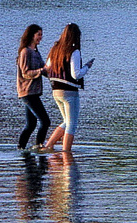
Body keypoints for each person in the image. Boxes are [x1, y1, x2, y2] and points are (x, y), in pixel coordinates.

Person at [39, 23, 92, 156]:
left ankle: (48, 146)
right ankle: (66, 153)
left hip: (55, 91)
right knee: (72, 124)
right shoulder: (74, 51)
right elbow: (76, 74)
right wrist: (87, 66)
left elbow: (47, 68)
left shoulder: (55, 49)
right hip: (69, 92)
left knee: (66, 121)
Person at [15, 23, 51, 150]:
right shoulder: (25, 52)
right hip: (27, 92)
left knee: (31, 124)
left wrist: (55, 74)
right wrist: (40, 71)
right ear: (31, 35)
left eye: (41, 35)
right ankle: (39, 147)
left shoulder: (36, 51)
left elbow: (44, 69)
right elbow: (25, 73)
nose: (40, 37)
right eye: (38, 35)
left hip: (34, 92)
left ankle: (21, 148)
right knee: (45, 121)